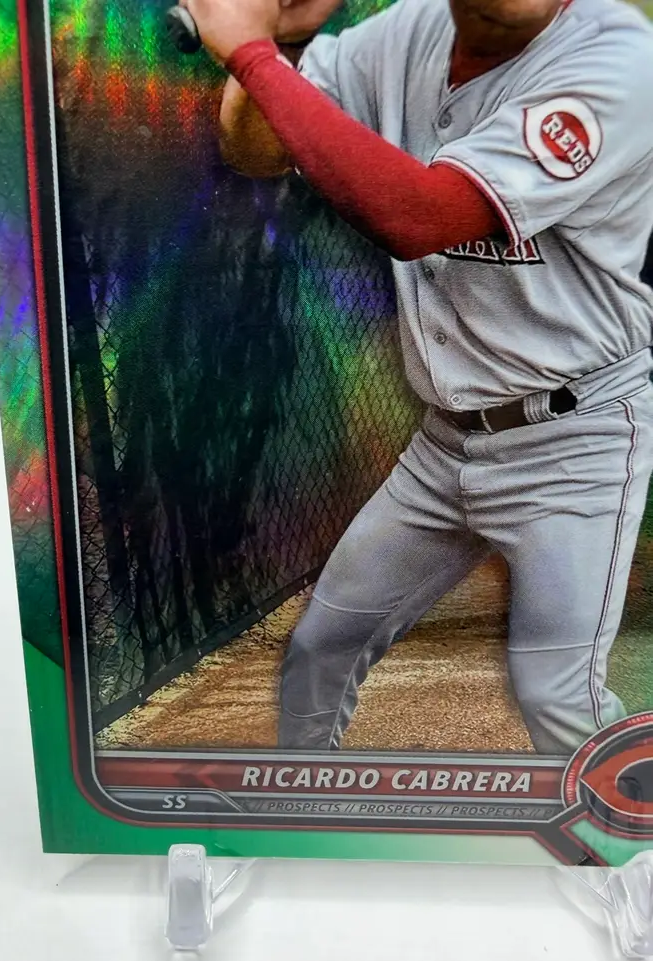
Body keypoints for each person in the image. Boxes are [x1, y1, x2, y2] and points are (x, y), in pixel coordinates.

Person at [180, 0, 653, 754]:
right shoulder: (407, 30)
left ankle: (629, 827)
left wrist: (251, 54)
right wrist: (281, 41)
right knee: (319, 651)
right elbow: (257, 150)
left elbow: (419, 217)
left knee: (557, 698)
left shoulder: (622, 58)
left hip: (574, 440)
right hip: (443, 445)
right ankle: (305, 805)